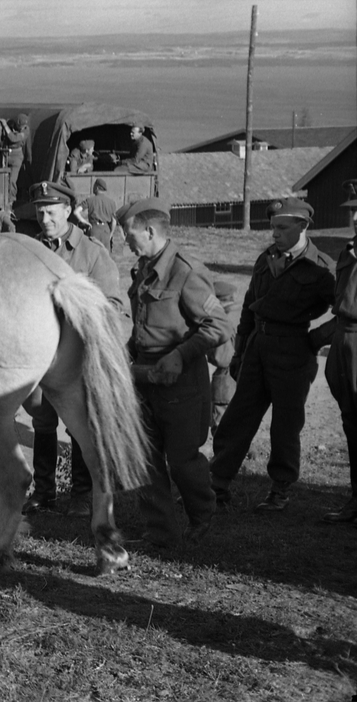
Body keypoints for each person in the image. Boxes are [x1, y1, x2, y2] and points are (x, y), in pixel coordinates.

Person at [119, 197, 232, 547]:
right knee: (146, 460)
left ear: (150, 231)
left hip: (180, 382)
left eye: (129, 233)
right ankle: (161, 533)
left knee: (183, 460)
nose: (125, 240)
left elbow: (219, 326)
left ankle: (203, 517)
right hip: (145, 378)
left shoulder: (186, 270)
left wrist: (182, 354)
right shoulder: (144, 267)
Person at [210, 198, 336, 512]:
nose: (275, 234)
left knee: (285, 425)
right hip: (257, 347)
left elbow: (346, 310)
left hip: (293, 351)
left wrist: (315, 339)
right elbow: (249, 306)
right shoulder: (266, 258)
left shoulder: (321, 268)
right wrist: (240, 353)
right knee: (237, 418)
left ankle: (280, 490)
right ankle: (216, 486)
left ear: (303, 226)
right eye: (273, 227)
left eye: (282, 228)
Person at [22, 181, 127, 517]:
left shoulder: (93, 253)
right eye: (40, 211)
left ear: (68, 211)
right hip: (39, 357)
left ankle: (82, 494)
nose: (44, 217)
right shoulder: (30, 250)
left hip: (76, 356)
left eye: (51, 211)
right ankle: (45, 491)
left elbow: (112, 304)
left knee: (79, 424)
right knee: (42, 422)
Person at [312, 179, 357, 524]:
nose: (355, 217)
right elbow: (341, 306)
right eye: (353, 211)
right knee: (350, 423)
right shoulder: (349, 250)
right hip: (343, 342)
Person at [208, 281, 243, 434]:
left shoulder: (222, 324)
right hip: (227, 380)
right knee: (224, 429)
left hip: (228, 380)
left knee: (227, 428)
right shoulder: (219, 325)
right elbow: (221, 357)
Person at [76, 178, 118, 251]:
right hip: (106, 230)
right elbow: (114, 221)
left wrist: (85, 222)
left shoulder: (90, 200)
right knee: (106, 255)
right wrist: (111, 234)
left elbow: (76, 212)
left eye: (94, 186)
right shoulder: (112, 202)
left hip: (94, 229)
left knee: (92, 254)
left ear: (97, 187)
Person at [2, 114, 29, 207]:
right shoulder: (12, 125)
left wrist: (5, 126)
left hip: (16, 157)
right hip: (6, 155)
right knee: (2, 178)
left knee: (12, 181)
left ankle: (11, 201)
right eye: (20, 126)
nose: (22, 128)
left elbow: (13, 138)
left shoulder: (26, 131)